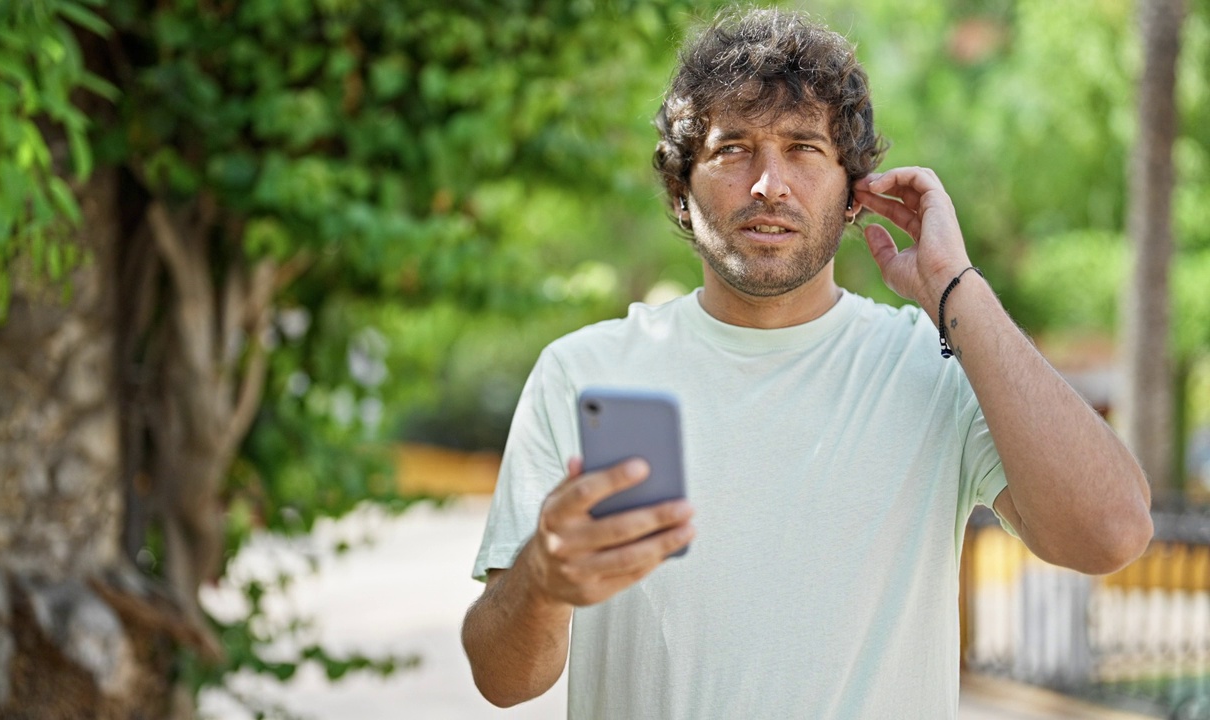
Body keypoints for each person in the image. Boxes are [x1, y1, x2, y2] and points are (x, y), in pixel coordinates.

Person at [461, 8, 1153, 718]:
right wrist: (542, 578)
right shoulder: (583, 372)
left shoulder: (932, 365)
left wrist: (954, 287)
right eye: (733, 150)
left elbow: (1112, 534)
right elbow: (503, 679)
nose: (769, 184)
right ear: (681, 188)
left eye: (802, 148)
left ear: (857, 193)